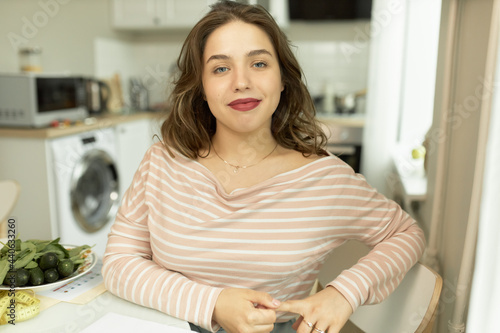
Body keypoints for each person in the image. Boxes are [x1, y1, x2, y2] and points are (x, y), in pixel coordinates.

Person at [102, 1, 426, 333]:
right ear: (200, 87)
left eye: (258, 63)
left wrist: (343, 293)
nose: (241, 82)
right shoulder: (162, 161)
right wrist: (212, 303)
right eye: (220, 68)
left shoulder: (325, 180)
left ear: (283, 79)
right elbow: (118, 263)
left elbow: (406, 234)